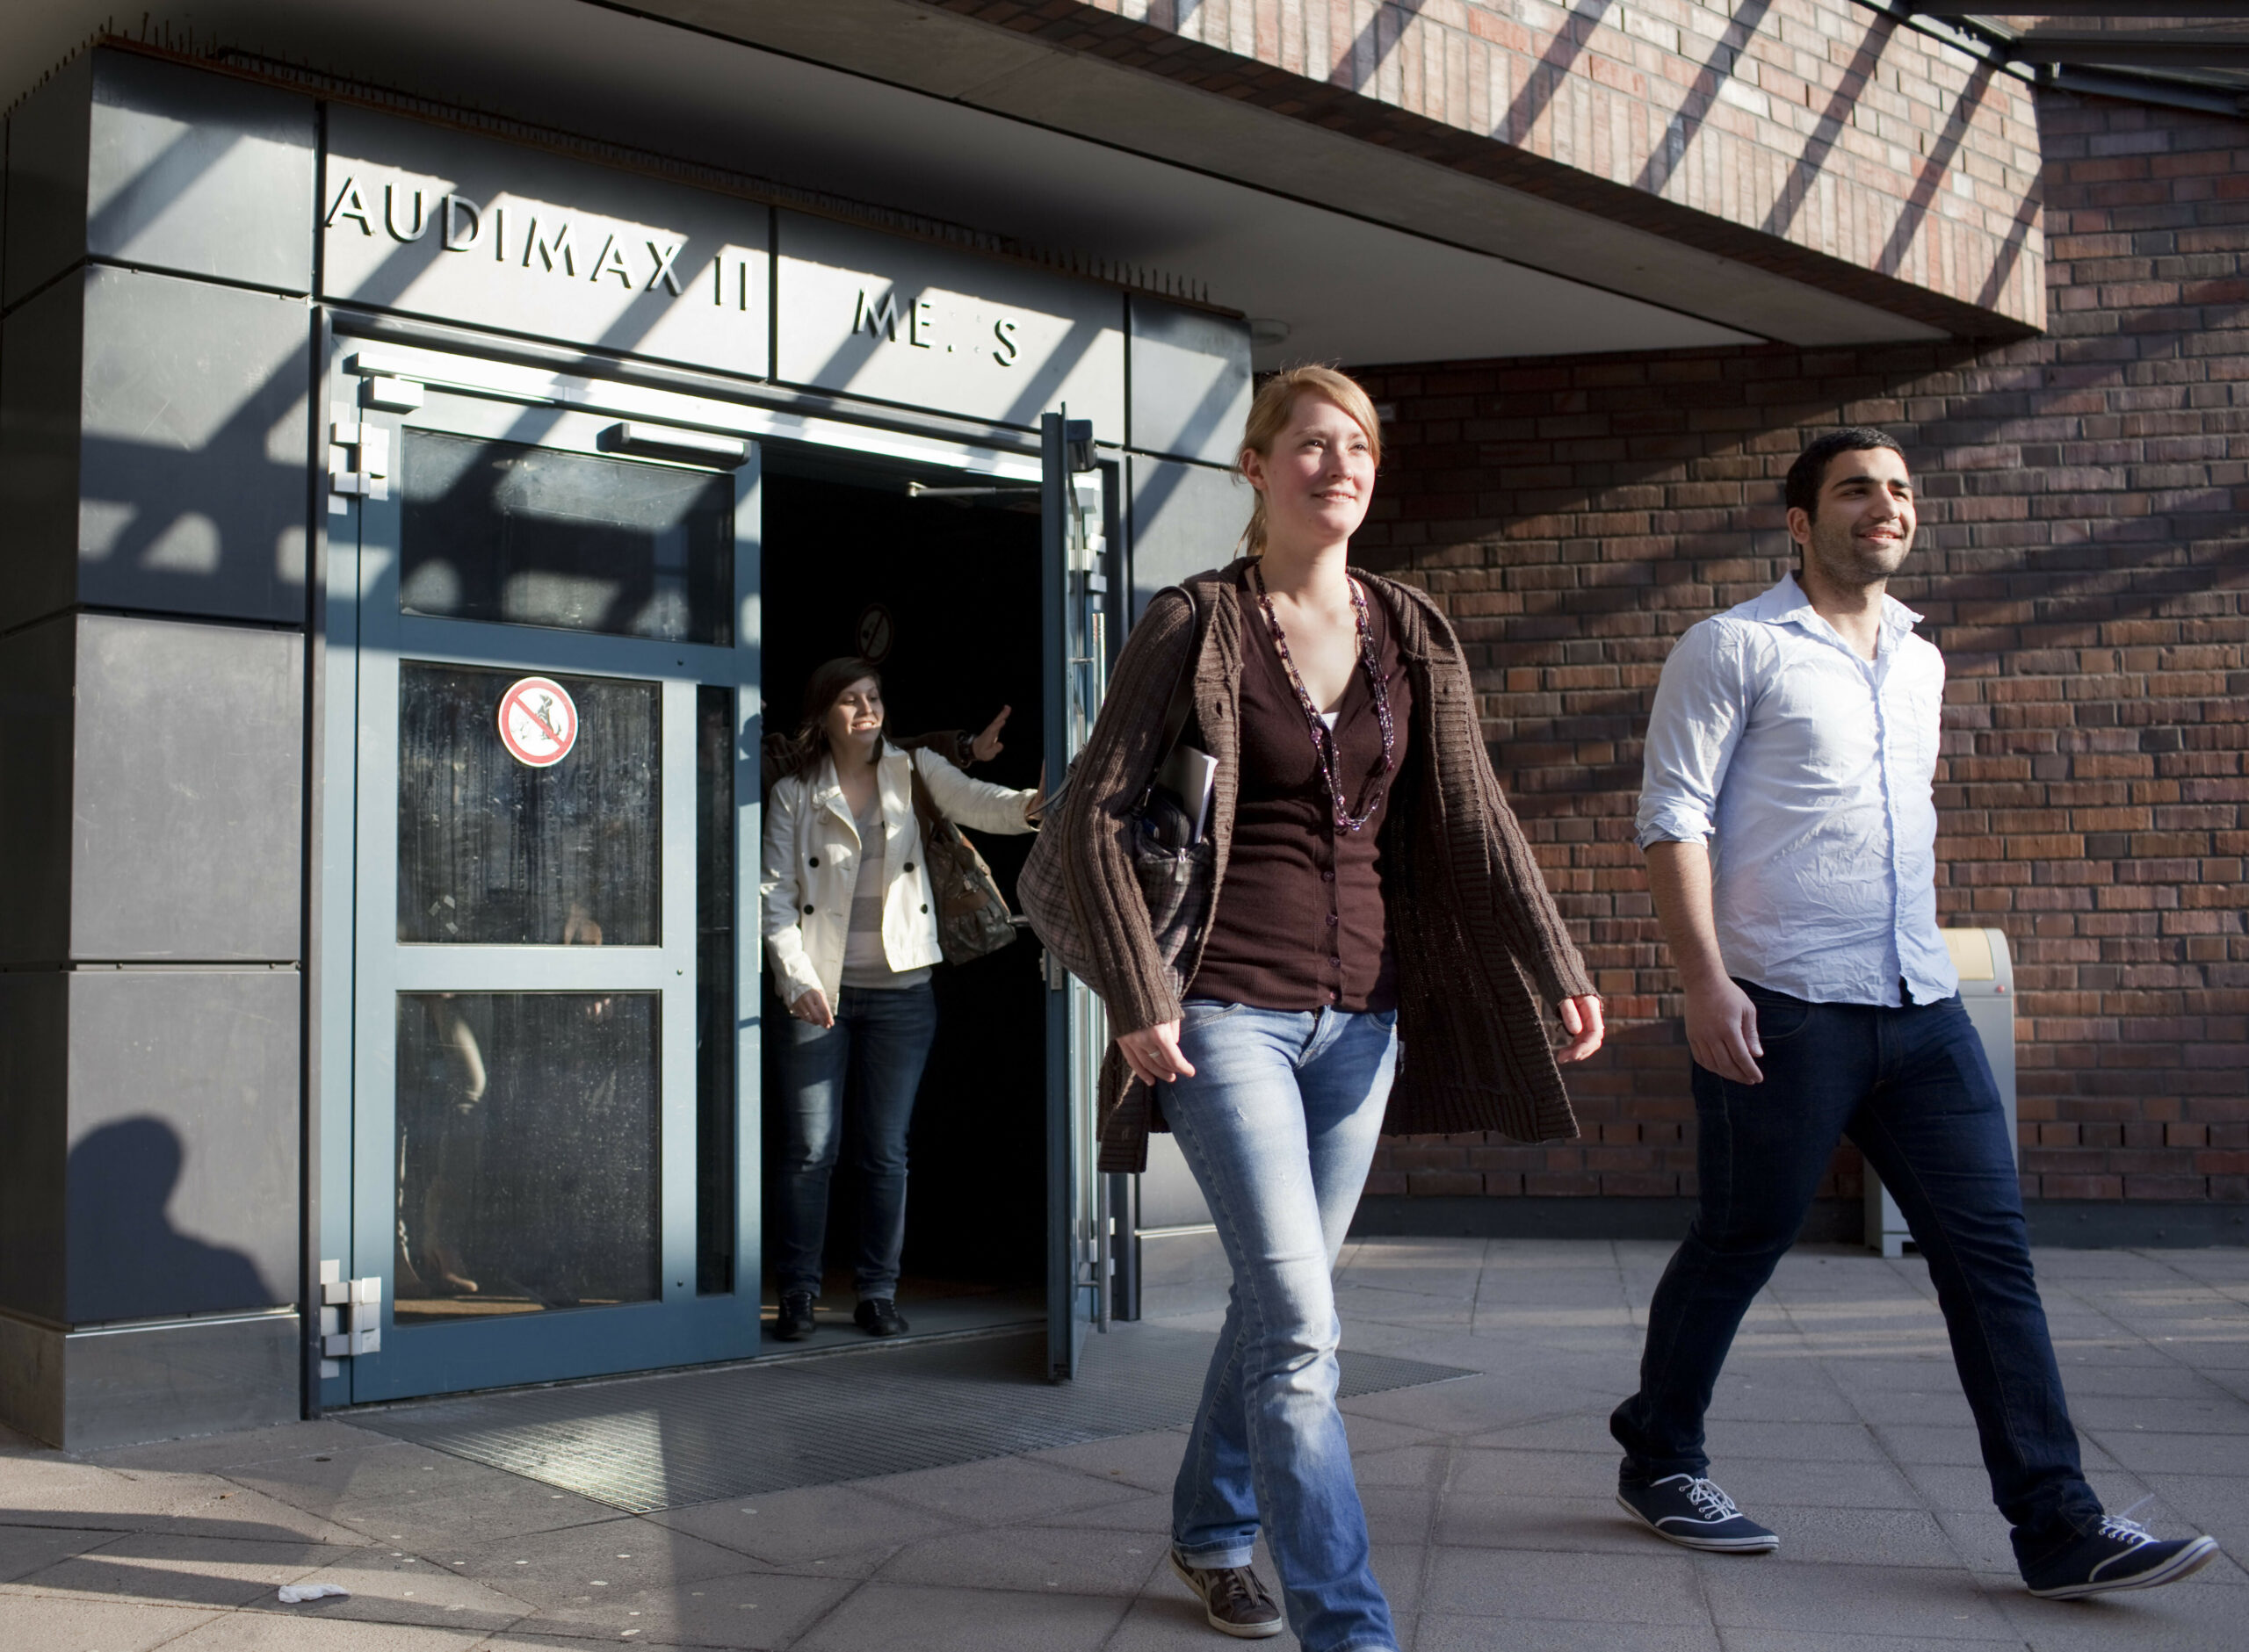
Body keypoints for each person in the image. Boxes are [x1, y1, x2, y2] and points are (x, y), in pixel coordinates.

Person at [1610, 429, 2219, 1599]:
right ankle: (1660, 1455)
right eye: (1856, 489)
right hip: (1783, 1005)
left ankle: (2057, 1524)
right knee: (1740, 1240)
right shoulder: (1733, 646)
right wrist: (1701, 980)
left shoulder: (1920, 658)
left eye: (1898, 489)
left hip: (1922, 1003)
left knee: (1992, 1260)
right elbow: (1671, 817)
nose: (1884, 505)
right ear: (1802, 522)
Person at [1056, 366, 1604, 1649]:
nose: (1338, 465)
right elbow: (1089, 812)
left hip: (1364, 1024)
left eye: (1356, 445)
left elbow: (1475, 812)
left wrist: (1557, 959)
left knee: (1274, 1305)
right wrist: (1140, 990)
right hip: (1226, 1013)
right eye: (1310, 444)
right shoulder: (1195, 622)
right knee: (1303, 1326)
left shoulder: (1409, 627)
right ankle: (1350, 1628)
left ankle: (1208, 1531)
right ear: (1256, 468)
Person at [761, 661, 1039, 1341]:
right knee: (810, 1150)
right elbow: (773, 897)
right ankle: (797, 1292)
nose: (866, 708)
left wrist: (1038, 803)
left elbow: (981, 802)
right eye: (850, 699)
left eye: (874, 697)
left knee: (885, 1150)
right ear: (823, 714)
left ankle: (877, 1292)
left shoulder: (911, 769)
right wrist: (797, 981)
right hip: (819, 994)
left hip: (902, 993)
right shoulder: (795, 793)